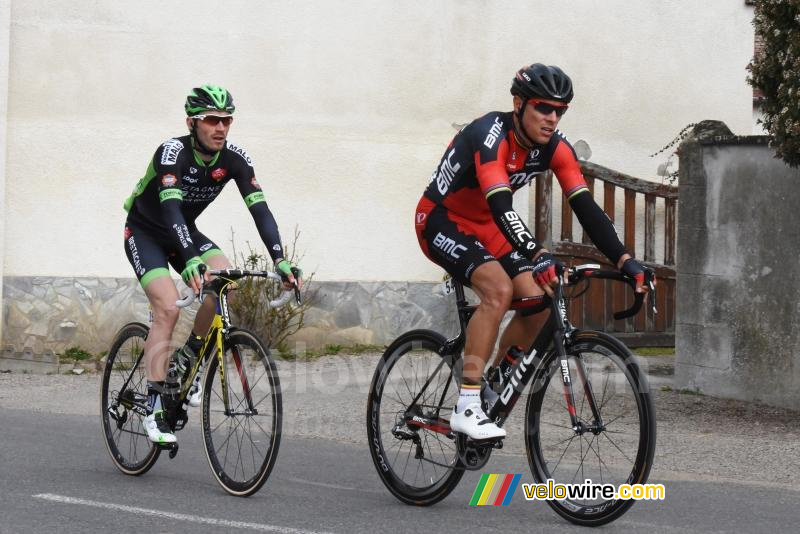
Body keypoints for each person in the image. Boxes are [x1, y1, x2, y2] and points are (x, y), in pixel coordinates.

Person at [414, 64, 650, 440]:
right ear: (518, 104)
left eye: (560, 111)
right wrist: (537, 253)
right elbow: (501, 204)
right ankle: (467, 405)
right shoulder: (489, 135)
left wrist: (625, 259)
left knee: (541, 300)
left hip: (488, 227)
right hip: (441, 219)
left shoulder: (555, 147)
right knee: (498, 290)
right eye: (543, 108)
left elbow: (585, 206)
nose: (552, 118)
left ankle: (491, 386)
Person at [123, 84, 301, 444]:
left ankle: (188, 358)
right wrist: (189, 259)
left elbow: (260, 210)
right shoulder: (172, 153)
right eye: (211, 120)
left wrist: (280, 260)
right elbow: (171, 208)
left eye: (227, 120)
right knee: (168, 308)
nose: (220, 127)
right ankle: (154, 407)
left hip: (185, 232)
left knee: (225, 283)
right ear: (192, 123)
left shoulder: (234, 158)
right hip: (146, 233)